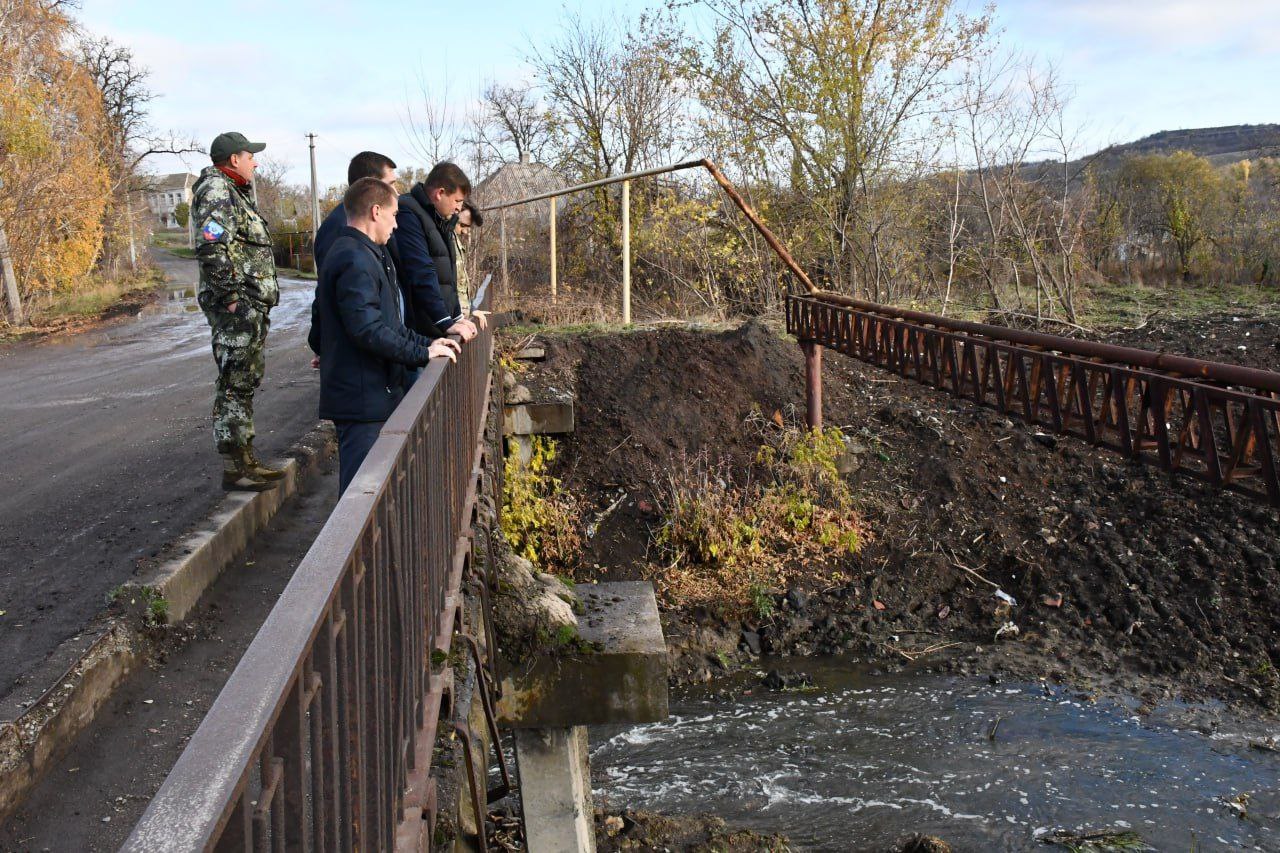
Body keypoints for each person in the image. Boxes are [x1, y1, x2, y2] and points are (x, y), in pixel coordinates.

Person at [314, 177, 459, 493]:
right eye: (394, 216)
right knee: (359, 495)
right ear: (376, 211)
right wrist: (422, 354)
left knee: (372, 493)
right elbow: (367, 330)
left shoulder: (366, 253)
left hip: (371, 393)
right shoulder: (353, 257)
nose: (396, 225)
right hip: (362, 399)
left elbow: (390, 323)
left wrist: (427, 342)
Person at [191, 131, 284, 491]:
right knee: (234, 383)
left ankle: (245, 460)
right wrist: (233, 299)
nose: (255, 162)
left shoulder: (232, 191)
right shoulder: (216, 191)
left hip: (248, 306)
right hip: (237, 309)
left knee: (243, 381)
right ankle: (236, 466)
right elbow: (212, 247)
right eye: (250, 156)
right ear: (233, 160)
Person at [309, 151, 400, 363]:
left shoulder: (370, 230)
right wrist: (323, 344)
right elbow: (328, 295)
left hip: (382, 350)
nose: (395, 191)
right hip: (361, 364)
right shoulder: (340, 229)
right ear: (371, 187)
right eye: (390, 183)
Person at [391, 162, 481, 343]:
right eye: (457, 201)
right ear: (440, 193)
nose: (458, 208)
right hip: (420, 334)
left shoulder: (440, 218)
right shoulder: (409, 212)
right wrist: (445, 321)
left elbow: (449, 277)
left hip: (436, 329)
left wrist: (456, 317)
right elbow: (420, 270)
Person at [454, 199, 483, 313]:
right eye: (462, 225)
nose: (465, 231)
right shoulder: (443, 241)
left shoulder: (456, 241)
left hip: (459, 318)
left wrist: (471, 309)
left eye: (468, 227)